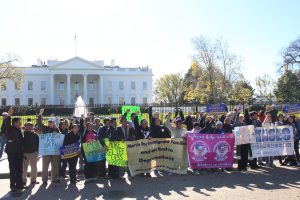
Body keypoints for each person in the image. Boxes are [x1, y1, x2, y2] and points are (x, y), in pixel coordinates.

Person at [4, 107, 26, 192]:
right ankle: (13, 186)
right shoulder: (10, 129)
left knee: (19, 169)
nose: (21, 123)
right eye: (19, 122)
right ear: (15, 123)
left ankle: (19, 185)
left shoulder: (19, 130)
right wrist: (9, 115)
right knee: (13, 170)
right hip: (12, 153)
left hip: (19, 153)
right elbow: (6, 124)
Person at [38, 108, 61, 185]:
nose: (50, 123)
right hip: (46, 151)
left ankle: (55, 178)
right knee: (45, 166)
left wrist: (57, 135)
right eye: (49, 122)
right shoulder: (45, 128)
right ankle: (45, 180)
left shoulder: (57, 129)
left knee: (55, 165)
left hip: (54, 151)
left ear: (54, 123)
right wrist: (40, 114)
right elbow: (39, 123)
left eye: (51, 122)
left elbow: (60, 138)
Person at [22, 122, 39, 186]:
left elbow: (38, 144)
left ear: (32, 127)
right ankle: (23, 180)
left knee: (34, 167)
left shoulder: (35, 135)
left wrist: (37, 153)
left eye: (30, 126)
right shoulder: (22, 134)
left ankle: (33, 180)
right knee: (24, 168)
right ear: (25, 126)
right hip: (25, 153)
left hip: (34, 153)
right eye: (27, 125)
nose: (28, 127)